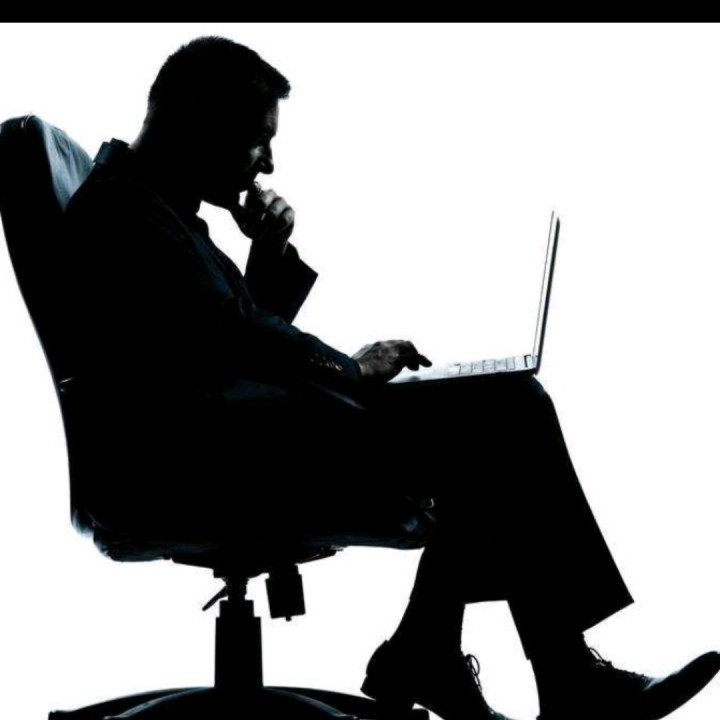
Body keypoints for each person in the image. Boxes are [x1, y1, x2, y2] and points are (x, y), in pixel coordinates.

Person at [61, 36, 720, 720]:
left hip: (227, 441)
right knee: (505, 413)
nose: (270, 162)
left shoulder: (154, 209)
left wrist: (270, 250)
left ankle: (442, 651)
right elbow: (237, 339)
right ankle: (515, 666)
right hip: (203, 463)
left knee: (489, 423)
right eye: (259, 139)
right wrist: (350, 370)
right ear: (200, 117)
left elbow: (226, 342)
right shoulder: (126, 210)